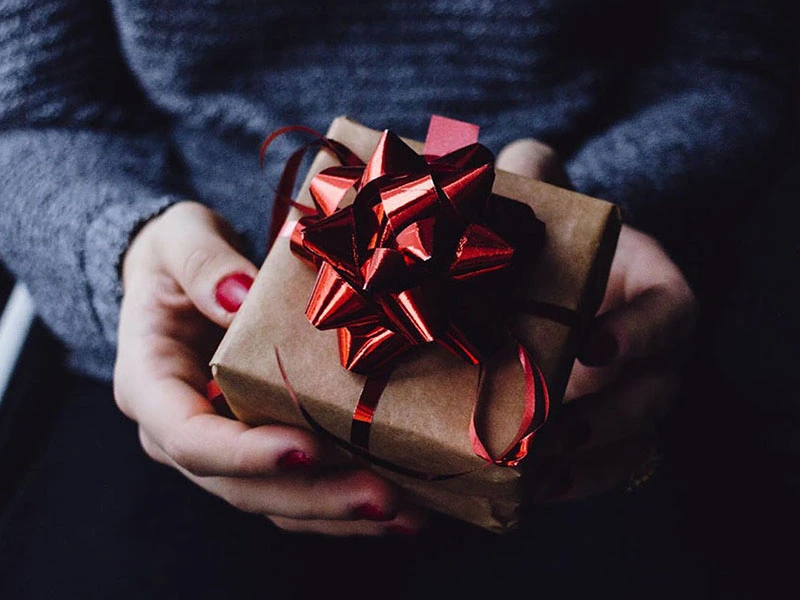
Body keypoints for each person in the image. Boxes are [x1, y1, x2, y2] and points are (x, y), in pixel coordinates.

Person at [0, 0, 793, 597]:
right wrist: (124, 247)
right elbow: (28, 109)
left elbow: (733, 66)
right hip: (189, 337)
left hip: (585, 336)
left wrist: (583, 222)